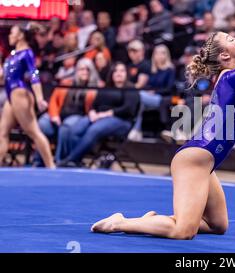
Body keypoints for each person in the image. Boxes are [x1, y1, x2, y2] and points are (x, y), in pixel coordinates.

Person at [91, 10, 235, 239]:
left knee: (217, 225)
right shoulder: (233, 77)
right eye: (231, 40)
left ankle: (152, 222)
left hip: (205, 161)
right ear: (223, 56)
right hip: (194, 159)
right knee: (183, 231)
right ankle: (121, 222)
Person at [58, 62, 139, 167]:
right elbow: (94, 104)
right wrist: (92, 112)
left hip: (121, 120)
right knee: (77, 128)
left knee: (94, 129)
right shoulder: (106, 88)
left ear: (126, 73)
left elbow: (128, 109)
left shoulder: (130, 89)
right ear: (111, 74)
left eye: (122, 71)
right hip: (99, 116)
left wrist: (106, 114)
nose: (119, 73)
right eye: (116, 71)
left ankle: (70, 159)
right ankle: (75, 160)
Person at [0, 24, 55, 168]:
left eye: (12, 33)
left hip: (20, 94)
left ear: (20, 36)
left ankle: (51, 167)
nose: (9, 36)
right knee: (2, 132)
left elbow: (34, 75)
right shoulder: (12, 54)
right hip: (10, 94)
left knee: (33, 131)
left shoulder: (27, 53)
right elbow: (4, 77)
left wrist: (39, 98)